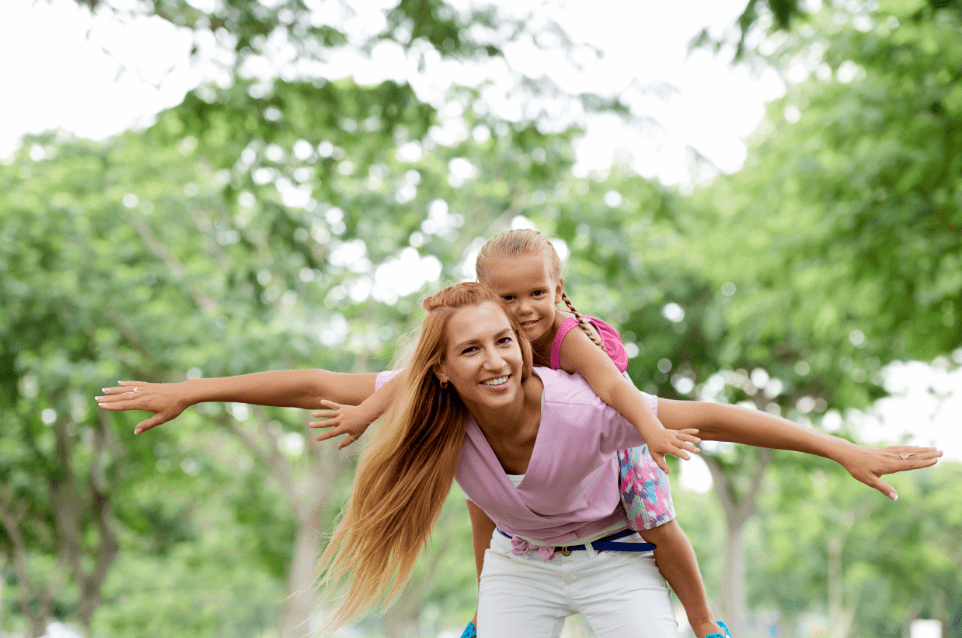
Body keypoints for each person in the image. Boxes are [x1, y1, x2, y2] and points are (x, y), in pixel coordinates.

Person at [98, 282, 941, 637]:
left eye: (505, 341)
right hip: (521, 569)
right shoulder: (426, 408)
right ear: (442, 369)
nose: (496, 360)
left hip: (617, 562)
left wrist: (842, 450)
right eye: (472, 351)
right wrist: (193, 392)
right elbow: (312, 382)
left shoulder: (586, 405)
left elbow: (714, 418)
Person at [313, 229, 710, 637]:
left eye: (536, 293)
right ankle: (485, 611)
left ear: (557, 290)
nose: (524, 309)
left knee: (655, 521)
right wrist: (364, 414)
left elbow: (612, 386)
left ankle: (703, 621)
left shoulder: (566, 336)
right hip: (533, 443)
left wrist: (652, 430)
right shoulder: (479, 338)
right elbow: (410, 378)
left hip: (619, 424)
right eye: (508, 298)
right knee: (487, 501)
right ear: (484, 298)